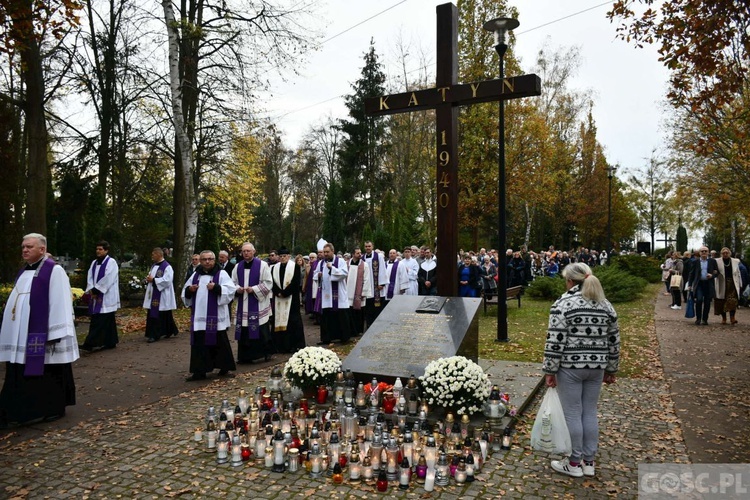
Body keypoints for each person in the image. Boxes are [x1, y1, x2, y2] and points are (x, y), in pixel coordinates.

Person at [543, 262, 620, 478]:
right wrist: (612, 368)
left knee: (573, 412)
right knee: (590, 411)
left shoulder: (563, 304)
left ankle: (574, 462)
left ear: (569, 280)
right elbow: (614, 340)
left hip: (570, 367)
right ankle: (589, 461)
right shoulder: (606, 305)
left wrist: (550, 369)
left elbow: (555, 340)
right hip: (597, 367)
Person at [0, 234, 79, 427]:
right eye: (23, 247)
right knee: (20, 370)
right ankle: (18, 409)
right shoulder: (24, 271)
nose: (24, 250)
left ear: (42, 250)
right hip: (21, 334)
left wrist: (54, 333)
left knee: (48, 373)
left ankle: (51, 408)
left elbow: (60, 301)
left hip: (43, 335)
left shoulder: (55, 271)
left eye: (29, 247)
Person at [182, 250, 237, 381]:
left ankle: (224, 368)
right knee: (199, 343)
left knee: (219, 342)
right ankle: (199, 371)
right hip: (199, 316)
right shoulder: (196, 275)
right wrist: (189, 290)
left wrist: (217, 288)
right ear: (200, 261)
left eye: (210, 259)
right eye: (204, 259)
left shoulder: (221, 273)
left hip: (215, 317)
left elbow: (230, 291)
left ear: (214, 260)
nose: (207, 262)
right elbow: (185, 292)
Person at [231, 243, 273, 363]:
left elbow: (268, 282)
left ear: (254, 252)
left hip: (258, 302)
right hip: (243, 303)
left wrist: (254, 289)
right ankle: (245, 356)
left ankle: (266, 353)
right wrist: (238, 288)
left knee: (261, 329)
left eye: (248, 251)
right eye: (244, 251)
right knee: (244, 330)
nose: (246, 253)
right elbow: (232, 282)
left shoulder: (263, 265)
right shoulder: (237, 266)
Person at [80, 240, 120, 351]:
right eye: (97, 249)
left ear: (106, 250)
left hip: (106, 296)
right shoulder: (94, 263)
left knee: (100, 320)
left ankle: (90, 343)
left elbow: (109, 278)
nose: (98, 251)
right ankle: (110, 341)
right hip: (96, 296)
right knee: (107, 320)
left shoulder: (111, 262)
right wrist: (91, 290)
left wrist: (97, 290)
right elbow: (90, 277)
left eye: (100, 249)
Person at [314, 242, 352, 344]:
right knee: (326, 317)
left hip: (338, 294)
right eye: (324, 252)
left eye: (327, 252)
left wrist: (332, 268)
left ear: (332, 251)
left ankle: (344, 338)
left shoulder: (340, 261)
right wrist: (319, 275)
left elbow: (344, 273)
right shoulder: (321, 263)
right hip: (326, 295)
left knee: (341, 317)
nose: (325, 254)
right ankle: (327, 338)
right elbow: (315, 274)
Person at [271, 247, 306, 352]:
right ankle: (279, 345)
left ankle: (294, 345)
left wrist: (285, 293)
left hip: (291, 298)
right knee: (277, 319)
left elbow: (296, 282)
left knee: (293, 321)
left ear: (289, 256)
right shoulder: (274, 268)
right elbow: (271, 282)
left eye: (284, 256)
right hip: (278, 298)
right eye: (280, 256)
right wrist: (278, 292)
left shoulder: (295, 267)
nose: (282, 258)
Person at [143, 247, 178, 343]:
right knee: (160, 313)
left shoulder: (167, 267)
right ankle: (168, 330)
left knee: (161, 314)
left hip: (162, 294)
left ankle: (155, 334)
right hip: (154, 293)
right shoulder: (154, 265)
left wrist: (153, 280)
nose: (152, 256)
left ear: (159, 254)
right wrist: (148, 279)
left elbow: (167, 280)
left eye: (153, 254)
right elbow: (151, 276)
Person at [687, 246, 720, 326]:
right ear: (700, 253)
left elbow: (717, 272)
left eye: (705, 251)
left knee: (707, 302)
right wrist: (690, 284)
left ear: (708, 252)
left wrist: (712, 275)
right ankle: (698, 319)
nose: (704, 253)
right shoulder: (695, 262)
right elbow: (691, 274)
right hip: (699, 284)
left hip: (708, 284)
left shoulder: (712, 261)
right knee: (699, 300)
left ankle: (705, 319)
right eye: (702, 251)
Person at [346, 247, 371, 337]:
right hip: (348, 291)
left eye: (360, 253)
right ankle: (351, 330)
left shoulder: (364, 265)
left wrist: (364, 292)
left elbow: (367, 279)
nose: (360, 254)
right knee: (350, 311)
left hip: (359, 292)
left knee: (359, 312)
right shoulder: (347, 264)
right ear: (353, 254)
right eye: (357, 253)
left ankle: (358, 330)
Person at [714, 247, 741, 325]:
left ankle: (732, 318)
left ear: (730, 253)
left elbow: (738, 273)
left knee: (732, 300)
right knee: (722, 300)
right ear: (721, 254)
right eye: (723, 253)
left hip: (732, 283)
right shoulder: (717, 261)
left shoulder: (735, 261)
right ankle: (724, 318)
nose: (725, 254)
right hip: (722, 283)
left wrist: (740, 283)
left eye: (727, 253)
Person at [363, 241, 388, 327]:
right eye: (366, 246)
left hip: (377, 287)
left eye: (369, 246)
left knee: (377, 307)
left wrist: (382, 283)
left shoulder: (379, 256)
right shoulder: (363, 258)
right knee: (368, 307)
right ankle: (369, 325)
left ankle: (378, 325)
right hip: (367, 286)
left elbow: (382, 269)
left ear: (372, 246)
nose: (367, 248)